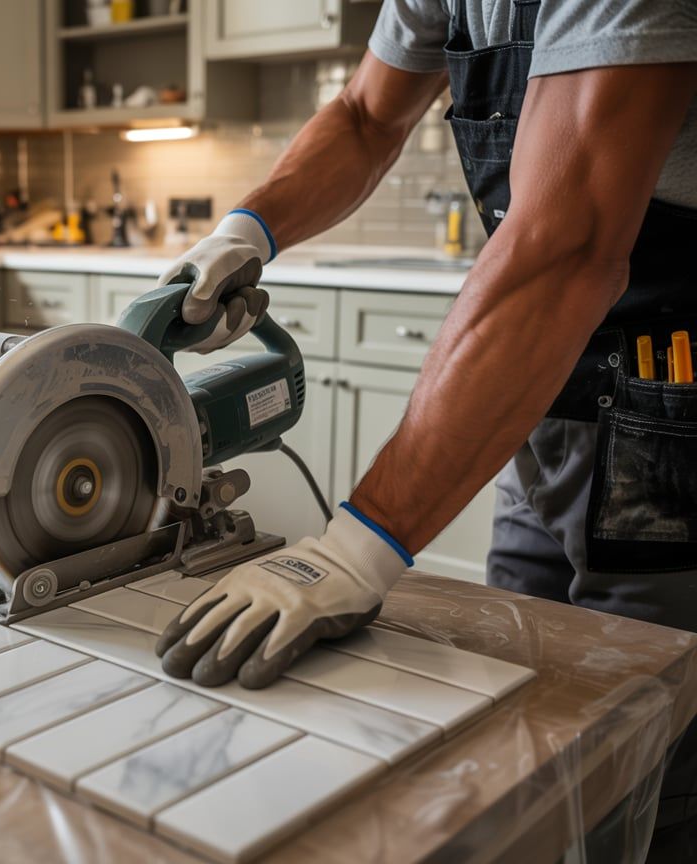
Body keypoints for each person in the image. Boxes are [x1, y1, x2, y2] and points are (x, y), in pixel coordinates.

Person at [152, 0, 697, 857]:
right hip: (542, 405)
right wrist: (245, 231)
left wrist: (353, 549)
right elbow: (367, 117)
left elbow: (567, 246)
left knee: (650, 761)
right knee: (519, 721)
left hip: (675, 430)